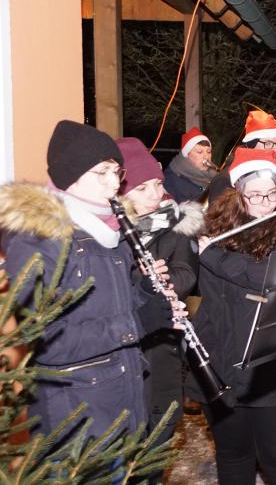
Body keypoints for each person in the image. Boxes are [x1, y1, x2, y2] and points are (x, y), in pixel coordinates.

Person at [0, 121, 181, 451]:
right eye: (102, 172)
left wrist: (146, 297)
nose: (115, 183)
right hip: (76, 421)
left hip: (122, 407)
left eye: (116, 172)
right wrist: (135, 324)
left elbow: (113, 308)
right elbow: (48, 339)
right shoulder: (38, 238)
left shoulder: (109, 233)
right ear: (72, 174)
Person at [192, 148, 276, 484]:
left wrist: (213, 256)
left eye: (271, 193)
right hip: (222, 360)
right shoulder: (215, 227)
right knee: (233, 457)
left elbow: (269, 276)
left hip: (271, 365)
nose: (265, 202)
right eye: (255, 195)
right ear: (237, 194)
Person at [116, 137, 204, 447]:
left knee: (160, 434)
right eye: (143, 188)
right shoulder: (110, 234)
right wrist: (141, 278)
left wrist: (168, 283)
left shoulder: (174, 222)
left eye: (157, 184)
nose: (156, 195)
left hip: (162, 346)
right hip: (124, 343)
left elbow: (187, 272)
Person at [207, 109, 276, 203]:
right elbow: (219, 216)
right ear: (251, 145)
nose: (275, 149)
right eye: (268, 143)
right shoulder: (225, 179)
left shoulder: (272, 175)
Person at [164, 126, 218, 202]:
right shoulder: (171, 179)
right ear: (186, 155)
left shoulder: (215, 175)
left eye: (208, 151)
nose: (206, 156)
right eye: (199, 152)